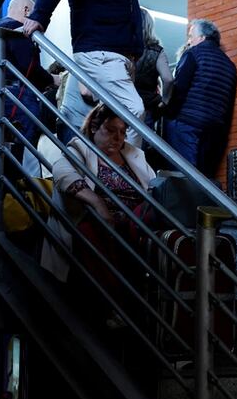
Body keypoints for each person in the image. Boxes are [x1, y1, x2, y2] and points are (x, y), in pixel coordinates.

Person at [39, 103, 155, 328]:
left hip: (135, 222)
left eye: (122, 132)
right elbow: (62, 173)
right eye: (110, 130)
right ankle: (117, 306)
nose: (118, 138)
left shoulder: (133, 154)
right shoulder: (79, 148)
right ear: (94, 127)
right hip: (98, 222)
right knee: (89, 229)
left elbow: (153, 186)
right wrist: (97, 202)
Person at [22, 0, 146, 146]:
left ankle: (106, 167)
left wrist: (136, 48)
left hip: (120, 53)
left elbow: (130, 4)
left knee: (110, 120)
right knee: (134, 110)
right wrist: (39, 15)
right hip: (101, 49)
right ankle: (123, 169)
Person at [0, 0, 56, 163]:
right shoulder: (17, 31)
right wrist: (52, 79)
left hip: (0, 95)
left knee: (3, 144)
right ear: (26, 11)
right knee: (24, 147)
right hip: (20, 97)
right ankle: (21, 185)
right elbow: (29, 67)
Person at [164, 18, 237, 178]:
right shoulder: (230, 66)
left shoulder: (193, 54)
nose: (189, 42)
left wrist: (169, 114)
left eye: (191, 36)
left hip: (187, 124)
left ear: (202, 38)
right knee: (204, 178)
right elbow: (229, 107)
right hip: (214, 131)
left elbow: (180, 88)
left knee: (183, 176)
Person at [133, 9, 173, 130]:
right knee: (141, 145)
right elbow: (168, 79)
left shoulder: (123, 47)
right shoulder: (157, 51)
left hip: (122, 104)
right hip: (147, 107)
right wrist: (165, 101)